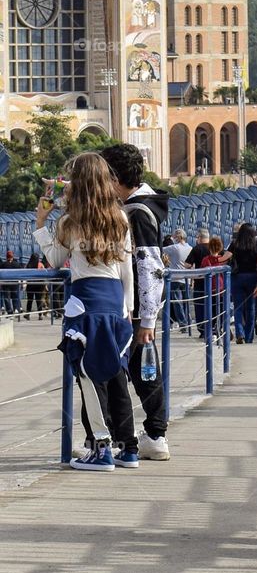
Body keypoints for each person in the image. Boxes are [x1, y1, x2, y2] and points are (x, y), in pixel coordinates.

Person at [33, 152, 138, 471]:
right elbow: (127, 270)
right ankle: (128, 449)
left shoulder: (69, 222)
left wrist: (40, 223)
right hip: (115, 304)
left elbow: (53, 259)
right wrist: (129, 310)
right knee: (114, 373)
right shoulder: (119, 218)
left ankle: (101, 448)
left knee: (88, 375)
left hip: (83, 305)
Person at [100, 143, 172, 461]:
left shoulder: (138, 213)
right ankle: (152, 434)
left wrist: (147, 320)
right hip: (139, 308)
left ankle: (153, 435)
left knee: (142, 372)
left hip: (137, 310)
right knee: (143, 371)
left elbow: (149, 265)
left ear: (115, 178)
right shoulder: (144, 206)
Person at [224, 223, 257, 344]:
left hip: (237, 277)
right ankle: (248, 337)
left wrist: (215, 257)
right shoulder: (255, 245)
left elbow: (225, 258)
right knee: (251, 308)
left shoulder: (235, 244)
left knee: (238, 307)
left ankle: (239, 333)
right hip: (252, 277)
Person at [184, 228, 211, 338]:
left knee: (199, 306)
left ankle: (202, 329)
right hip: (214, 282)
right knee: (213, 305)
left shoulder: (196, 249)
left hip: (200, 281)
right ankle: (213, 328)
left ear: (199, 238)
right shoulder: (215, 247)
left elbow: (187, 264)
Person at [163, 227, 192, 328]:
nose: (173, 239)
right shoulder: (190, 248)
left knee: (177, 302)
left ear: (178, 237)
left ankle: (183, 322)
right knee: (185, 302)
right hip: (186, 278)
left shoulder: (174, 248)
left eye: (175, 237)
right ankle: (187, 321)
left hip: (175, 278)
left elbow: (160, 249)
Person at [200, 236, 228, 338]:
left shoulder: (206, 260)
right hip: (222, 287)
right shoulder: (223, 259)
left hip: (210, 288)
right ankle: (219, 328)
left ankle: (211, 330)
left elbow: (202, 273)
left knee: (210, 310)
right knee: (221, 310)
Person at [23, 251, 48, 319]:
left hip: (30, 285)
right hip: (39, 285)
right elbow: (44, 274)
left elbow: (25, 275)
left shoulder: (28, 265)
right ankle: (40, 315)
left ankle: (28, 314)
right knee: (38, 300)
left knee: (30, 300)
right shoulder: (40, 265)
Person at [0, 250, 22, 316]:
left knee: (7, 297)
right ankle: (15, 309)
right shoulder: (17, 264)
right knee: (15, 296)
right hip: (15, 284)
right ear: (13, 256)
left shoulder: (3, 264)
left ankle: (9, 310)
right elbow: (20, 273)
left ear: (6, 257)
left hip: (6, 284)